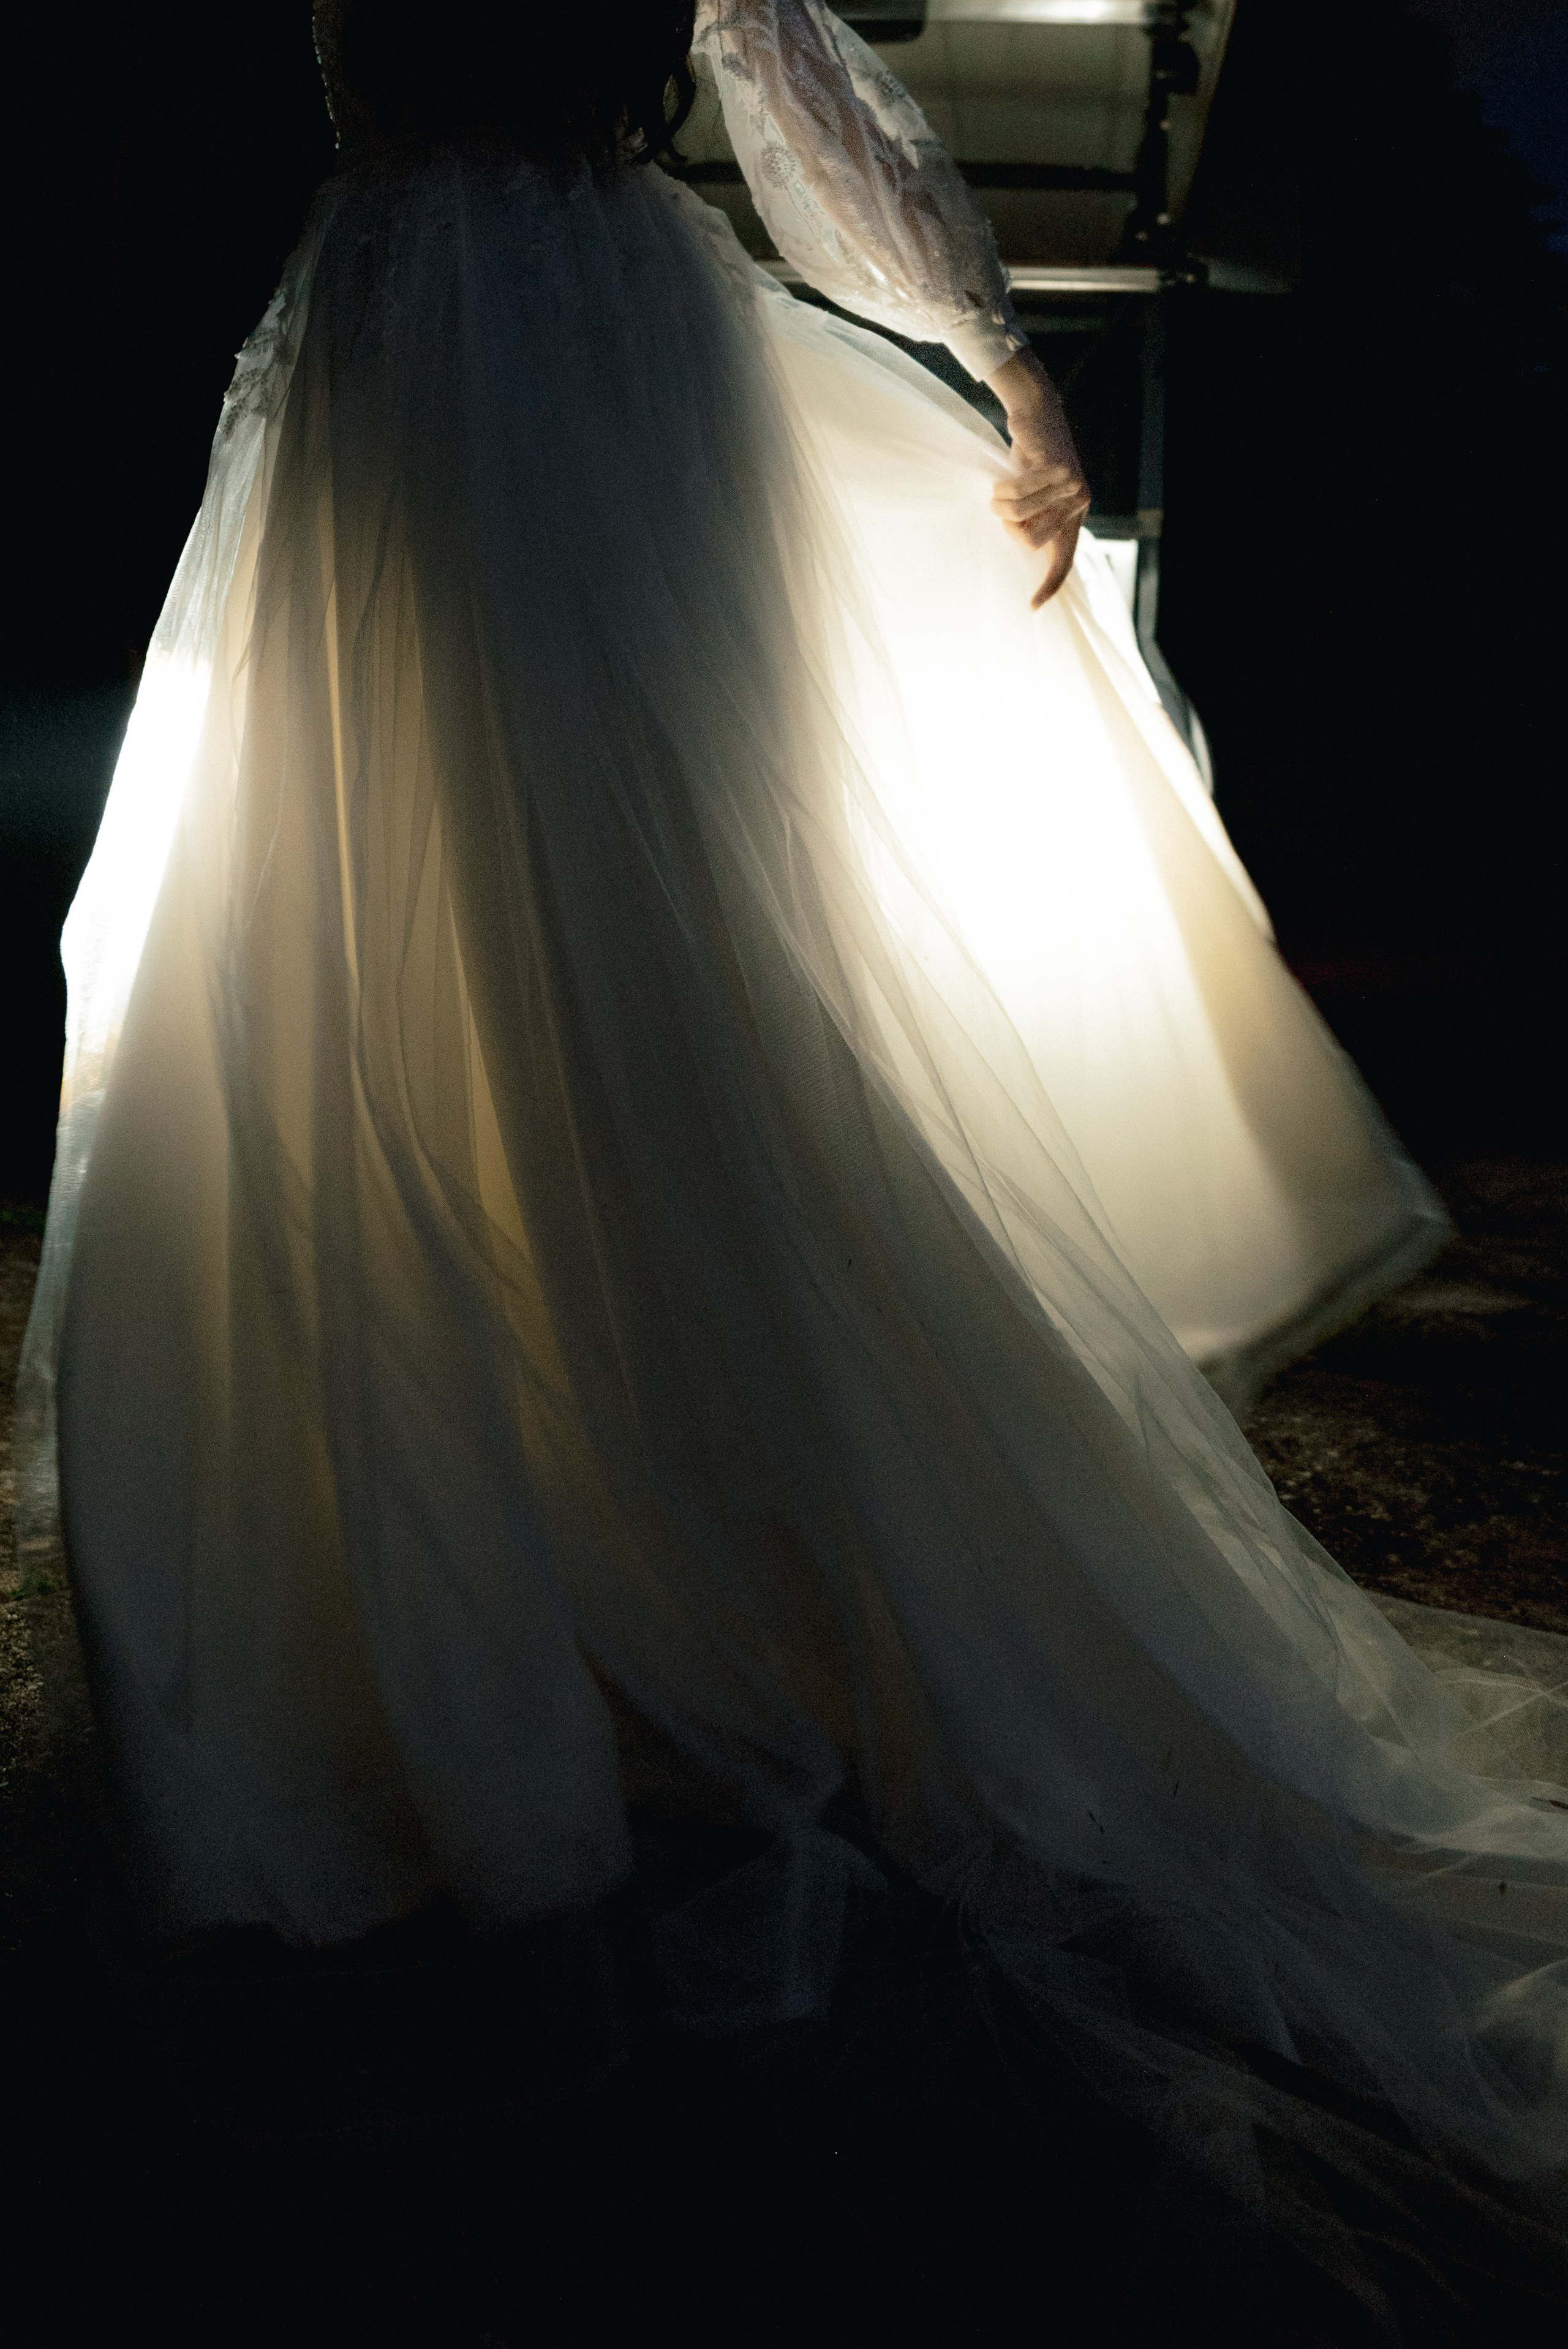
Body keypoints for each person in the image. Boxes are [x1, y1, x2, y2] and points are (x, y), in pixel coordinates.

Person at [15, 0, 1568, 2316]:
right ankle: (596, 1508)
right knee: (562, 942)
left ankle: (531, 1536)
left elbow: (772, 49)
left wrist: (997, 359)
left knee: (521, 939)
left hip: (423, 340)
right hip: (553, 343)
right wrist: (994, 354)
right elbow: (791, 72)